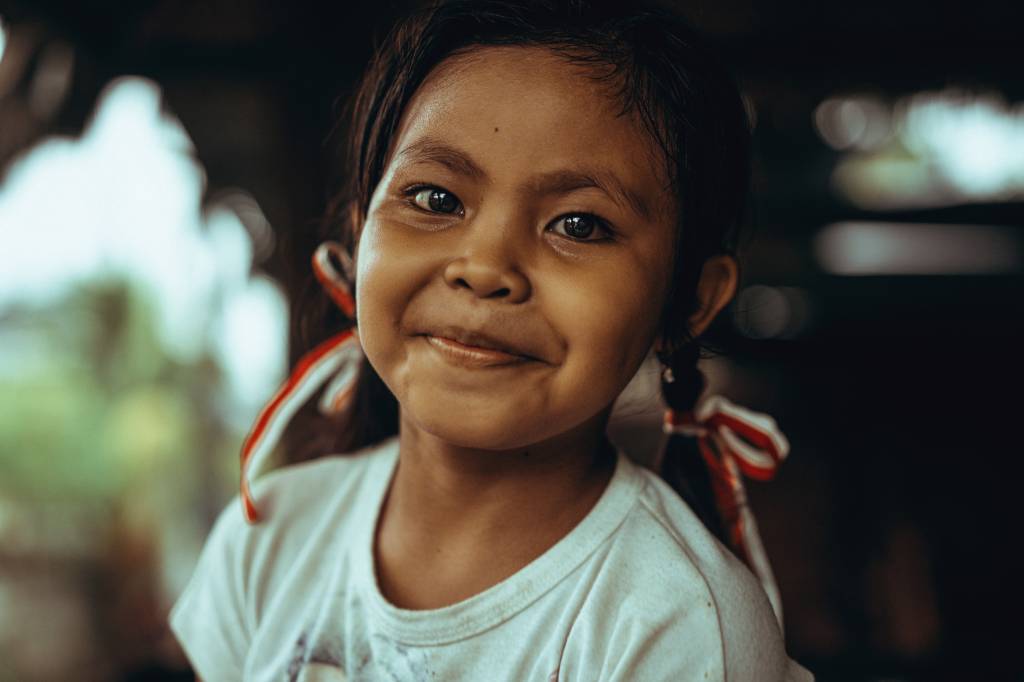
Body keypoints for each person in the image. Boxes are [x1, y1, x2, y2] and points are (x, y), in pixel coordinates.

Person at [169, 0, 814, 679]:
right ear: (360, 241)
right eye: (436, 199)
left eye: (579, 225)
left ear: (689, 300)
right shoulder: (270, 538)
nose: (484, 268)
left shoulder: (677, 628)